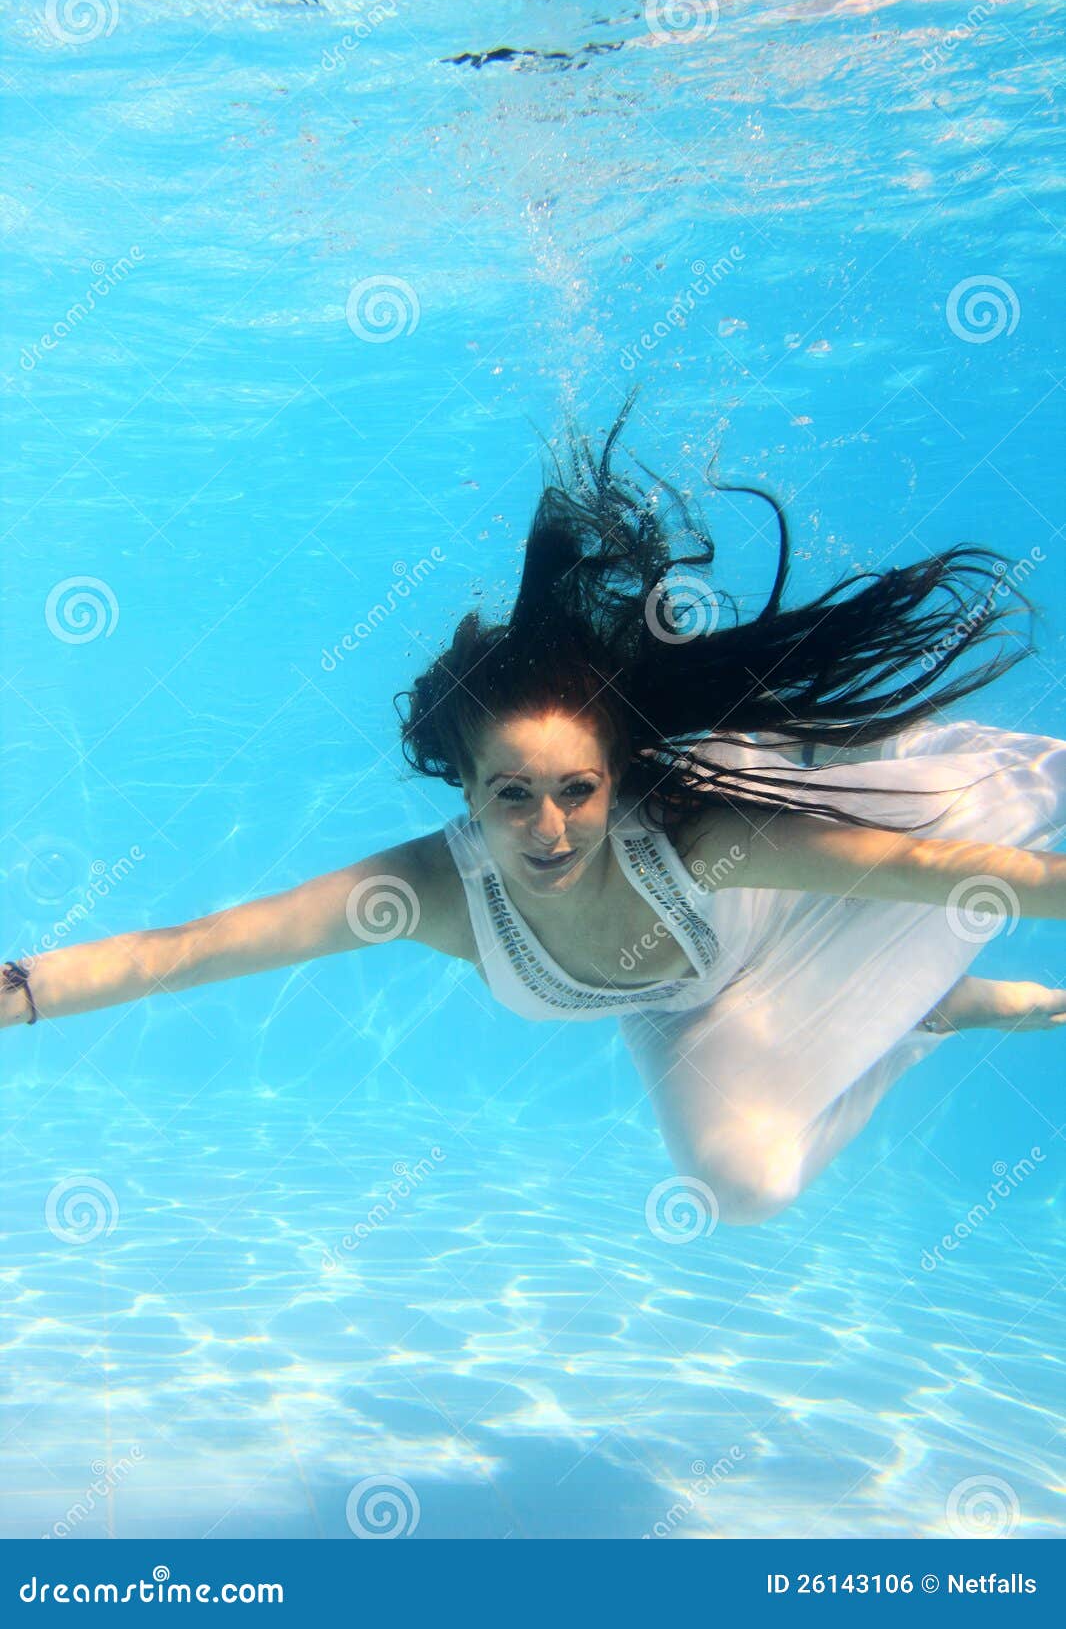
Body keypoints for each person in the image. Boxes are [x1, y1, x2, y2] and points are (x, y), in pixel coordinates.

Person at [6, 394, 1066, 1226]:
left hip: (772, 875)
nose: (549, 830)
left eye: (576, 790)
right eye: (511, 795)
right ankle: (915, 1014)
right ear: (464, 791)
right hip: (680, 1009)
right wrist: (16, 991)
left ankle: (836, 777)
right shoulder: (426, 894)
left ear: (615, 779)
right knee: (747, 1189)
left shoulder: (690, 838)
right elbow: (184, 952)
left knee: (995, 796)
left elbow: (969, 877)